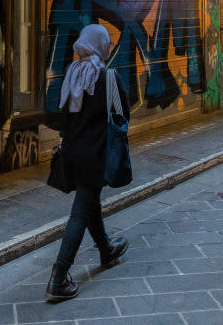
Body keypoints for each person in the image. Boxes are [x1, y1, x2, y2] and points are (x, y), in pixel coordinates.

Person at [46, 24, 130, 302]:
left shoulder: (71, 74)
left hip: (72, 154)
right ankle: (58, 278)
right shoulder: (109, 78)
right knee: (80, 213)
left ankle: (106, 250)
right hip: (96, 156)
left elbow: (63, 119)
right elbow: (123, 117)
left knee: (90, 202)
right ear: (102, 46)